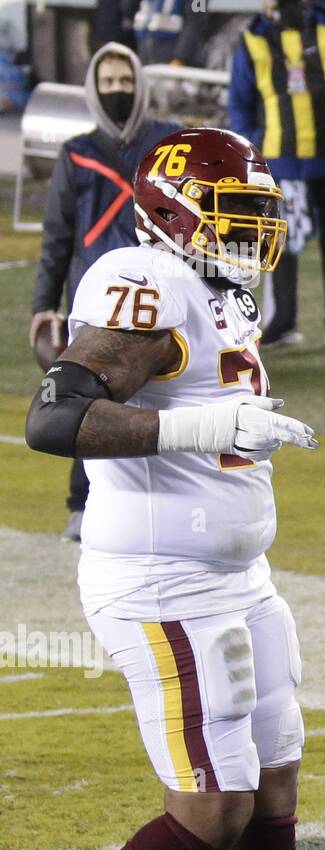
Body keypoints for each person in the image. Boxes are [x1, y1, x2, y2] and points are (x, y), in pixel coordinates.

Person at [25, 127, 318, 850]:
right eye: (232, 208)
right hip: (162, 580)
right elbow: (55, 418)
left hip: (239, 576)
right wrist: (210, 425)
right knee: (212, 809)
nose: (252, 227)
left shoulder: (218, 289)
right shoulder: (146, 280)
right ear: (172, 210)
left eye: (258, 209)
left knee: (273, 788)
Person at [30, 42, 180, 542]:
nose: (119, 90)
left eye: (126, 81)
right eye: (109, 83)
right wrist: (43, 305)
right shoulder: (77, 152)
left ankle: (166, 504)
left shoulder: (167, 144)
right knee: (87, 403)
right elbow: (57, 235)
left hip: (157, 294)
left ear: (140, 83)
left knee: (166, 400)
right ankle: (83, 503)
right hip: (95, 302)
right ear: (94, 89)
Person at [229, 0, 325, 348]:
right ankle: (281, 321)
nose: (292, 7)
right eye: (283, 0)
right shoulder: (252, 40)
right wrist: (255, 150)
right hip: (282, 164)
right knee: (280, 244)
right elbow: (240, 103)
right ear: (267, 6)